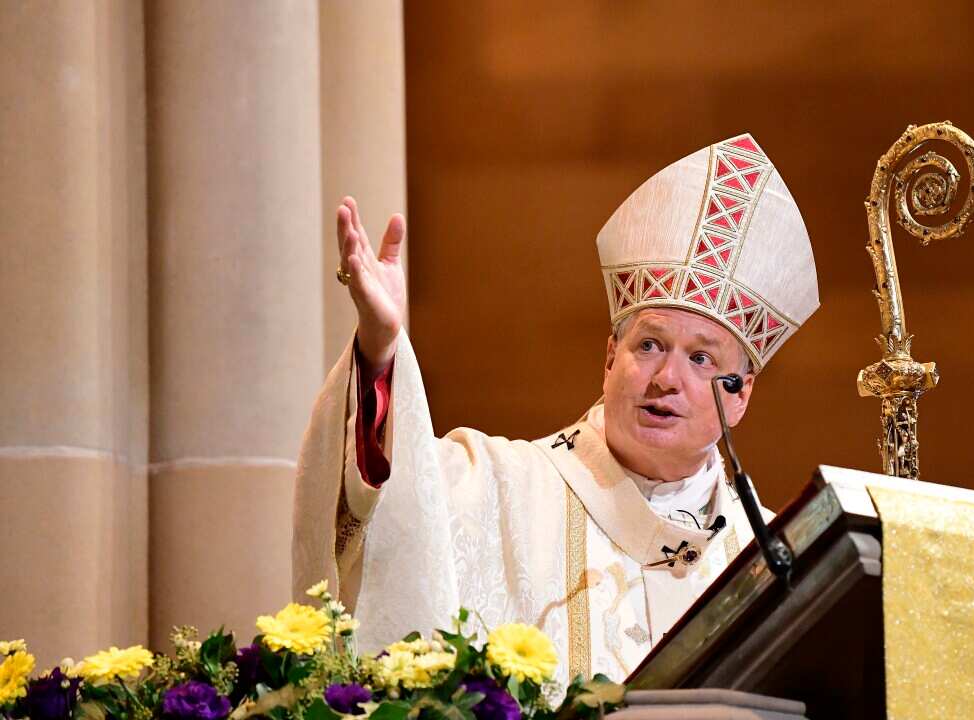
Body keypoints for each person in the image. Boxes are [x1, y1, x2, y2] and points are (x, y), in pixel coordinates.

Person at [292, 134, 820, 685]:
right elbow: (388, 501)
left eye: (701, 359)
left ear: (739, 395)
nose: (667, 378)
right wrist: (382, 354)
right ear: (610, 357)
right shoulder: (491, 485)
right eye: (649, 345)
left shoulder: (772, 559)